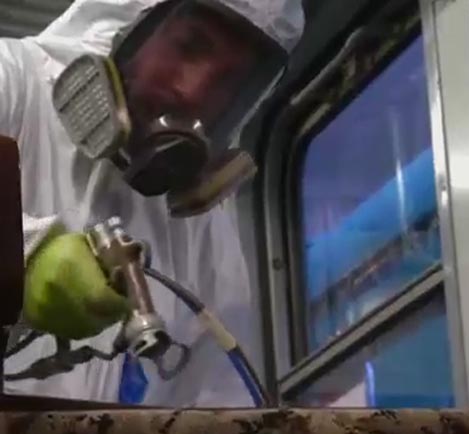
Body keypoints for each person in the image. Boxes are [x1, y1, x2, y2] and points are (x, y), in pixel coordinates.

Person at [0, 0, 304, 406]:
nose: (192, 90)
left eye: (227, 81)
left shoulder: (208, 245)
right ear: (128, 24)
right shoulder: (14, 81)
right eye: (189, 47)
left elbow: (215, 406)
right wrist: (26, 258)